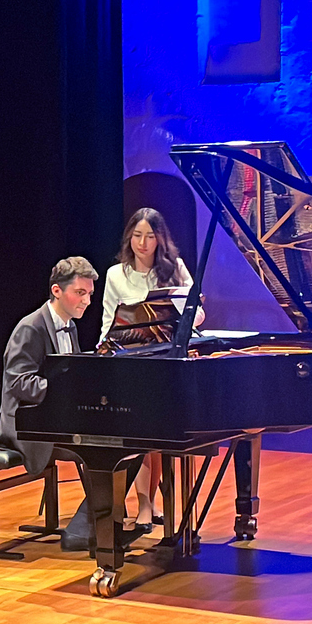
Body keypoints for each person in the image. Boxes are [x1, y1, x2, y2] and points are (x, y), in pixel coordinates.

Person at [0, 256, 142, 552]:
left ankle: (96, 526)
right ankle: (87, 530)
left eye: (90, 294)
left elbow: (72, 375)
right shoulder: (30, 328)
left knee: (132, 443)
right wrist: (64, 393)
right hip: (27, 426)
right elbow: (18, 383)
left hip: (57, 419)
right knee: (105, 447)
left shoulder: (70, 326)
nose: (87, 301)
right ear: (57, 290)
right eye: (80, 293)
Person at [98, 208, 202, 531]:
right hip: (132, 362)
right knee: (144, 434)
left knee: (158, 437)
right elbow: (108, 321)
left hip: (166, 360)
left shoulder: (175, 268)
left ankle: (156, 503)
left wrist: (186, 312)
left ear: (160, 239)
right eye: (137, 235)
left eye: (150, 236)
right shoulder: (116, 274)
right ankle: (145, 505)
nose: (142, 243)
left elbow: (197, 312)